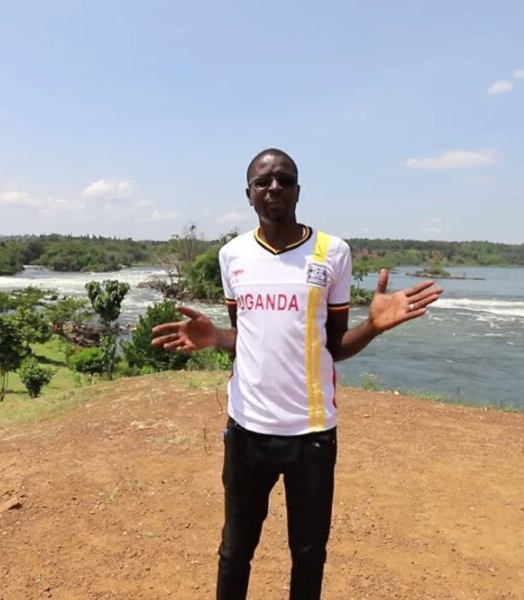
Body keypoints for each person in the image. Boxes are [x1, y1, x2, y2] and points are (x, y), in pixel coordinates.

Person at [151, 148, 442, 600]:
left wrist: (373, 326)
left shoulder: (332, 252)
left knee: (308, 554)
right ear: (248, 194)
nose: (274, 188)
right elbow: (246, 336)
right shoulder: (232, 255)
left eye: (284, 180)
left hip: (311, 434)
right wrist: (214, 338)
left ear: (298, 191)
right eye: (263, 182)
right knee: (234, 550)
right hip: (247, 429)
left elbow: (334, 346)